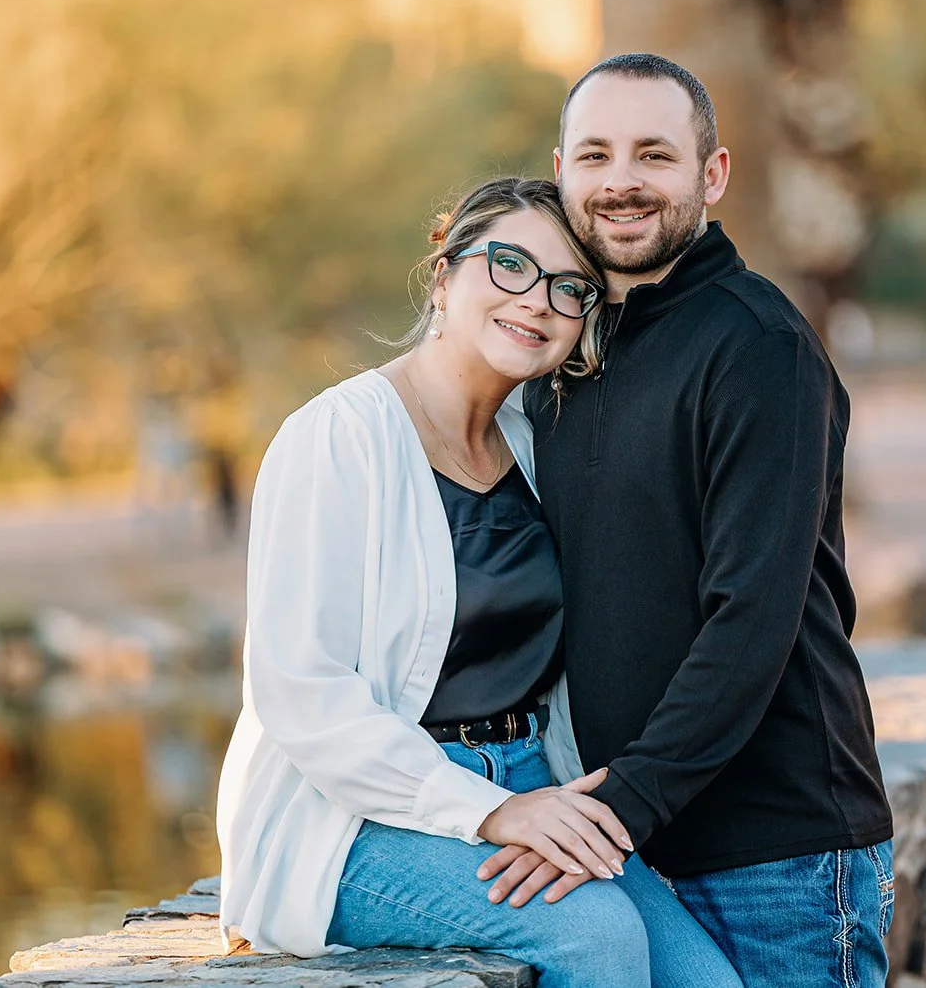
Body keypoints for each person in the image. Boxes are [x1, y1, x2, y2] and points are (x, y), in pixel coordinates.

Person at [215, 177, 742, 988]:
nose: (536, 302)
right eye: (509, 265)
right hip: (356, 817)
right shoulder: (340, 436)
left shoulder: (538, 444)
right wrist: (487, 810)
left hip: (535, 778)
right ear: (444, 276)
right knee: (595, 941)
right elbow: (300, 688)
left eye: (571, 288)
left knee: (708, 981)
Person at [481, 54, 896, 988]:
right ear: (562, 172)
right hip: (636, 842)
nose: (621, 181)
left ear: (711, 176)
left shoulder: (760, 349)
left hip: (776, 854)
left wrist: (618, 805)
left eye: (653, 155)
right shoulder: (565, 353)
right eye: (595, 155)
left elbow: (750, 619)